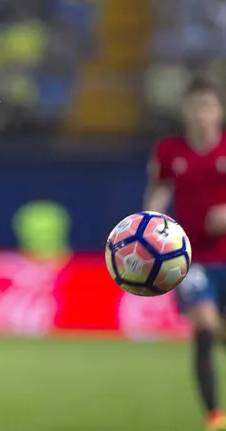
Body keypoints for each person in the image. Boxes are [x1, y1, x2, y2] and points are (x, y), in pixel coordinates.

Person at [145, 76, 226, 431]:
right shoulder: (169, 151)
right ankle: (215, 415)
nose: (201, 114)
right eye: (195, 106)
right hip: (188, 260)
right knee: (205, 323)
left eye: (207, 106)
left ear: (220, 111)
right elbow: (158, 192)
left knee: (219, 329)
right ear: (186, 110)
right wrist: (149, 229)